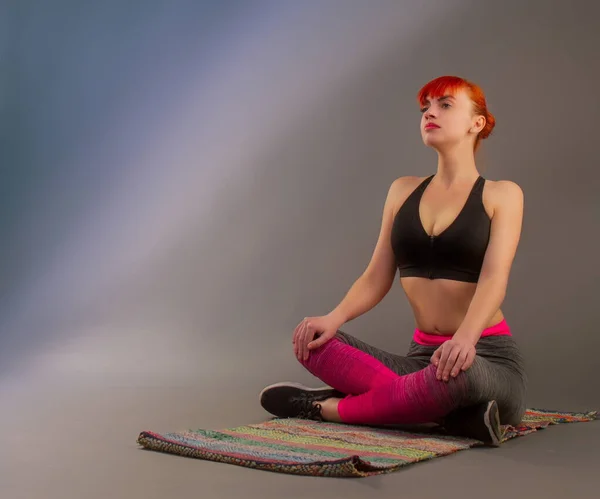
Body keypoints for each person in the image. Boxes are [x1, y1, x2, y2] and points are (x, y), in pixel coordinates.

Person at [259, 75, 527, 446]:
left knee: (456, 377)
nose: (430, 113)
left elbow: (495, 278)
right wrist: (333, 318)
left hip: (484, 357)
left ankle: (327, 408)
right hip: (421, 361)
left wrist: (466, 339)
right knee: (316, 345)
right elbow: (376, 277)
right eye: (425, 108)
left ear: (476, 123)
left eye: (445, 105)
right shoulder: (403, 190)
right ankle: (445, 414)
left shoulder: (503, 195)